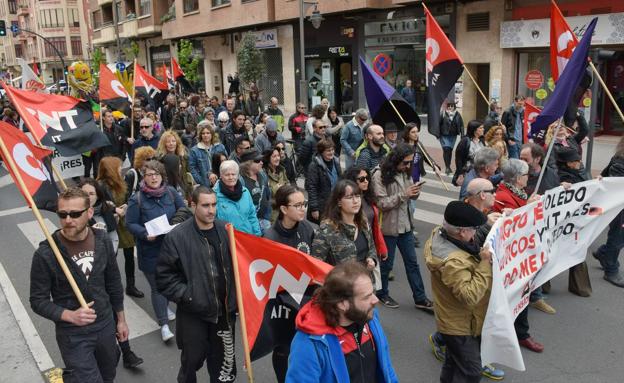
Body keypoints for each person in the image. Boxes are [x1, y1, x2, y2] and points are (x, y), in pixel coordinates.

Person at [30, 187, 127, 382]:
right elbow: (37, 300)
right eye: (62, 214)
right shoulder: (46, 254)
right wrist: (69, 315)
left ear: (89, 212)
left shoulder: (102, 240)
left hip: (105, 326)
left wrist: (121, 319)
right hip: (73, 336)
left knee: (108, 375)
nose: (68, 220)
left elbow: (114, 283)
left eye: (75, 214)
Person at [157, 186, 237, 383]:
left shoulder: (226, 229)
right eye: (205, 205)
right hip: (194, 312)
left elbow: (238, 266)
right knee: (192, 361)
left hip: (224, 314)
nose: (211, 210)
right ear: (193, 205)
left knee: (224, 369)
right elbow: (164, 277)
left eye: (214, 205)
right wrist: (189, 296)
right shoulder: (177, 237)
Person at [286, 260, 398, 383]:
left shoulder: (369, 318)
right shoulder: (308, 344)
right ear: (342, 304)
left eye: (373, 293)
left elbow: (387, 369)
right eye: (366, 297)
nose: (375, 300)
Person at [424, 200, 492, 383]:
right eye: (473, 229)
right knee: (471, 372)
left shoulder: (444, 233)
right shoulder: (454, 262)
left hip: (453, 319)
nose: (476, 233)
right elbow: (470, 296)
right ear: (462, 232)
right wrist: (485, 263)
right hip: (460, 326)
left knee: (453, 362)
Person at [125, 160, 186, 343]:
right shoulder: (137, 199)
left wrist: (174, 223)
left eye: (157, 174)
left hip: (172, 247)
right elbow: (130, 224)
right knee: (158, 288)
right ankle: (164, 325)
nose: (153, 178)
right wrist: (144, 234)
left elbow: (183, 209)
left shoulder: (171, 192)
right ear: (144, 177)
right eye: (150, 175)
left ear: (162, 176)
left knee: (172, 282)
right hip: (150, 250)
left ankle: (166, 307)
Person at [263, 185, 317, 382]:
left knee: (305, 348)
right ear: (284, 209)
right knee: (283, 349)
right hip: (282, 305)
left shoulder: (306, 227)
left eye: (304, 203)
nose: (303, 208)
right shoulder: (270, 237)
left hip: (308, 300)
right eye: (298, 205)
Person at [491, 159, 545, 353]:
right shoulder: (503, 196)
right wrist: (527, 207)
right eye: (525, 175)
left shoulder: (517, 192)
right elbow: (509, 224)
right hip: (507, 259)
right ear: (516, 178)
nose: (528, 178)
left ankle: (521, 334)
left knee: (522, 294)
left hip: (519, 257)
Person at [371, 143, 432, 310]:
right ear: (396, 159)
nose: (408, 166)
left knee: (413, 263)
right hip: (388, 228)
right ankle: (382, 294)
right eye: (405, 162)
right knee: (386, 264)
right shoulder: (379, 174)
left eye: (410, 162)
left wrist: (415, 191)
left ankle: (420, 298)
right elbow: (381, 203)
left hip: (405, 226)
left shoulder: (405, 171)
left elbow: (410, 196)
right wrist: (404, 195)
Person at [97, 156, 144, 298]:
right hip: (109, 224)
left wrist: (126, 206)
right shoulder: (99, 185)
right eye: (117, 166)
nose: (120, 168)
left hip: (124, 222)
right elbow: (96, 205)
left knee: (129, 254)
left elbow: (127, 198)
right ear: (110, 168)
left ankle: (131, 286)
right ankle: (109, 286)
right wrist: (114, 209)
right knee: (111, 256)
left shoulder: (120, 182)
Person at [312, 179, 378, 270]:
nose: (355, 201)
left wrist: (372, 259)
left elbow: (372, 247)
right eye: (349, 197)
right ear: (339, 201)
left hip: (365, 280)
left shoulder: (363, 222)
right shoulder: (326, 230)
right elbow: (317, 265)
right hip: (340, 283)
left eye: (358, 196)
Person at [593, 136, 624, 287]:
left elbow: (604, 174)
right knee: (618, 237)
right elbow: (616, 186)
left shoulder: (618, 159)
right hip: (619, 208)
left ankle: (604, 253)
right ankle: (611, 270)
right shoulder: (619, 162)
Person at [343, 166, 388, 264]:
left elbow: (375, 228)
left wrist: (381, 247)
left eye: (367, 178)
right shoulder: (346, 203)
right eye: (362, 179)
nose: (366, 181)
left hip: (370, 248)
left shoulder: (369, 198)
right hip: (353, 250)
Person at [213, 160, 262, 235]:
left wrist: (257, 234)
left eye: (233, 174)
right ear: (221, 176)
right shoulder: (214, 195)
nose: (231, 177)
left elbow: (252, 215)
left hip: (248, 237)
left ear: (238, 175)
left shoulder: (245, 192)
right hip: (228, 240)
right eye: (227, 175)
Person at [305, 139, 341, 224]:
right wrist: (314, 208)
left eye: (332, 150)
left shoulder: (336, 162)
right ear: (321, 152)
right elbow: (311, 187)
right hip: (322, 205)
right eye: (328, 150)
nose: (331, 152)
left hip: (334, 204)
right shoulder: (314, 166)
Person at [239, 148, 272, 232]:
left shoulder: (262, 174)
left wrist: (267, 217)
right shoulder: (240, 180)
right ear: (248, 163)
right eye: (257, 160)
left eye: (261, 160)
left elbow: (268, 196)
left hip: (264, 220)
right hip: (249, 223)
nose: (261, 162)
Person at [188, 122, 227, 187]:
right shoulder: (194, 150)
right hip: (204, 183)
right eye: (203, 133)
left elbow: (226, 163)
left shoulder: (220, 147)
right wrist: (200, 181)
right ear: (200, 135)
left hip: (221, 180)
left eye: (208, 133)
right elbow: (192, 169)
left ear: (212, 134)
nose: (205, 135)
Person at [157, 130, 192, 199]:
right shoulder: (161, 160)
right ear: (164, 144)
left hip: (183, 189)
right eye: (168, 142)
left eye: (173, 141)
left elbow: (187, 173)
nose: (171, 144)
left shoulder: (183, 156)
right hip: (168, 190)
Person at [264, 147, 290, 222]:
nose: (277, 158)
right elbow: (265, 194)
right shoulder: (264, 173)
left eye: (278, 155)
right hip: (272, 210)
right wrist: (277, 188)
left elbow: (287, 182)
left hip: (285, 206)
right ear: (268, 158)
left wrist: (287, 188)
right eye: (274, 156)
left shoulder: (282, 169)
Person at [439, 102, 464, 175]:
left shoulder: (457, 114)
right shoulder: (443, 114)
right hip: (444, 135)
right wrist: (438, 134)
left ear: (454, 107)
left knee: (449, 150)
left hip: (453, 136)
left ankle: (448, 166)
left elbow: (462, 125)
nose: (450, 107)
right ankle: (447, 167)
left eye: (452, 106)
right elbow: (438, 124)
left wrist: (462, 135)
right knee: (446, 149)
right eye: (448, 106)